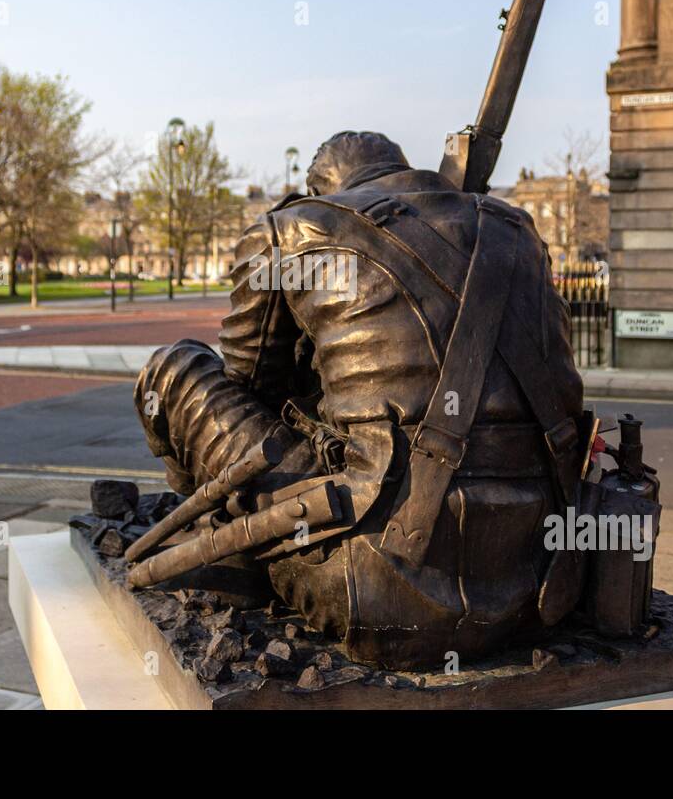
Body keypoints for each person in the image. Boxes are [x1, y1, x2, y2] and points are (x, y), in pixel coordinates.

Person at [133, 131, 585, 668]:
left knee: (175, 367)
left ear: (322, 187)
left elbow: (250, 389)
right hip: (542, 580)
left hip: (364, 585)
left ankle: (224, 553)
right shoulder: (519, 231)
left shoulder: (287, 231)